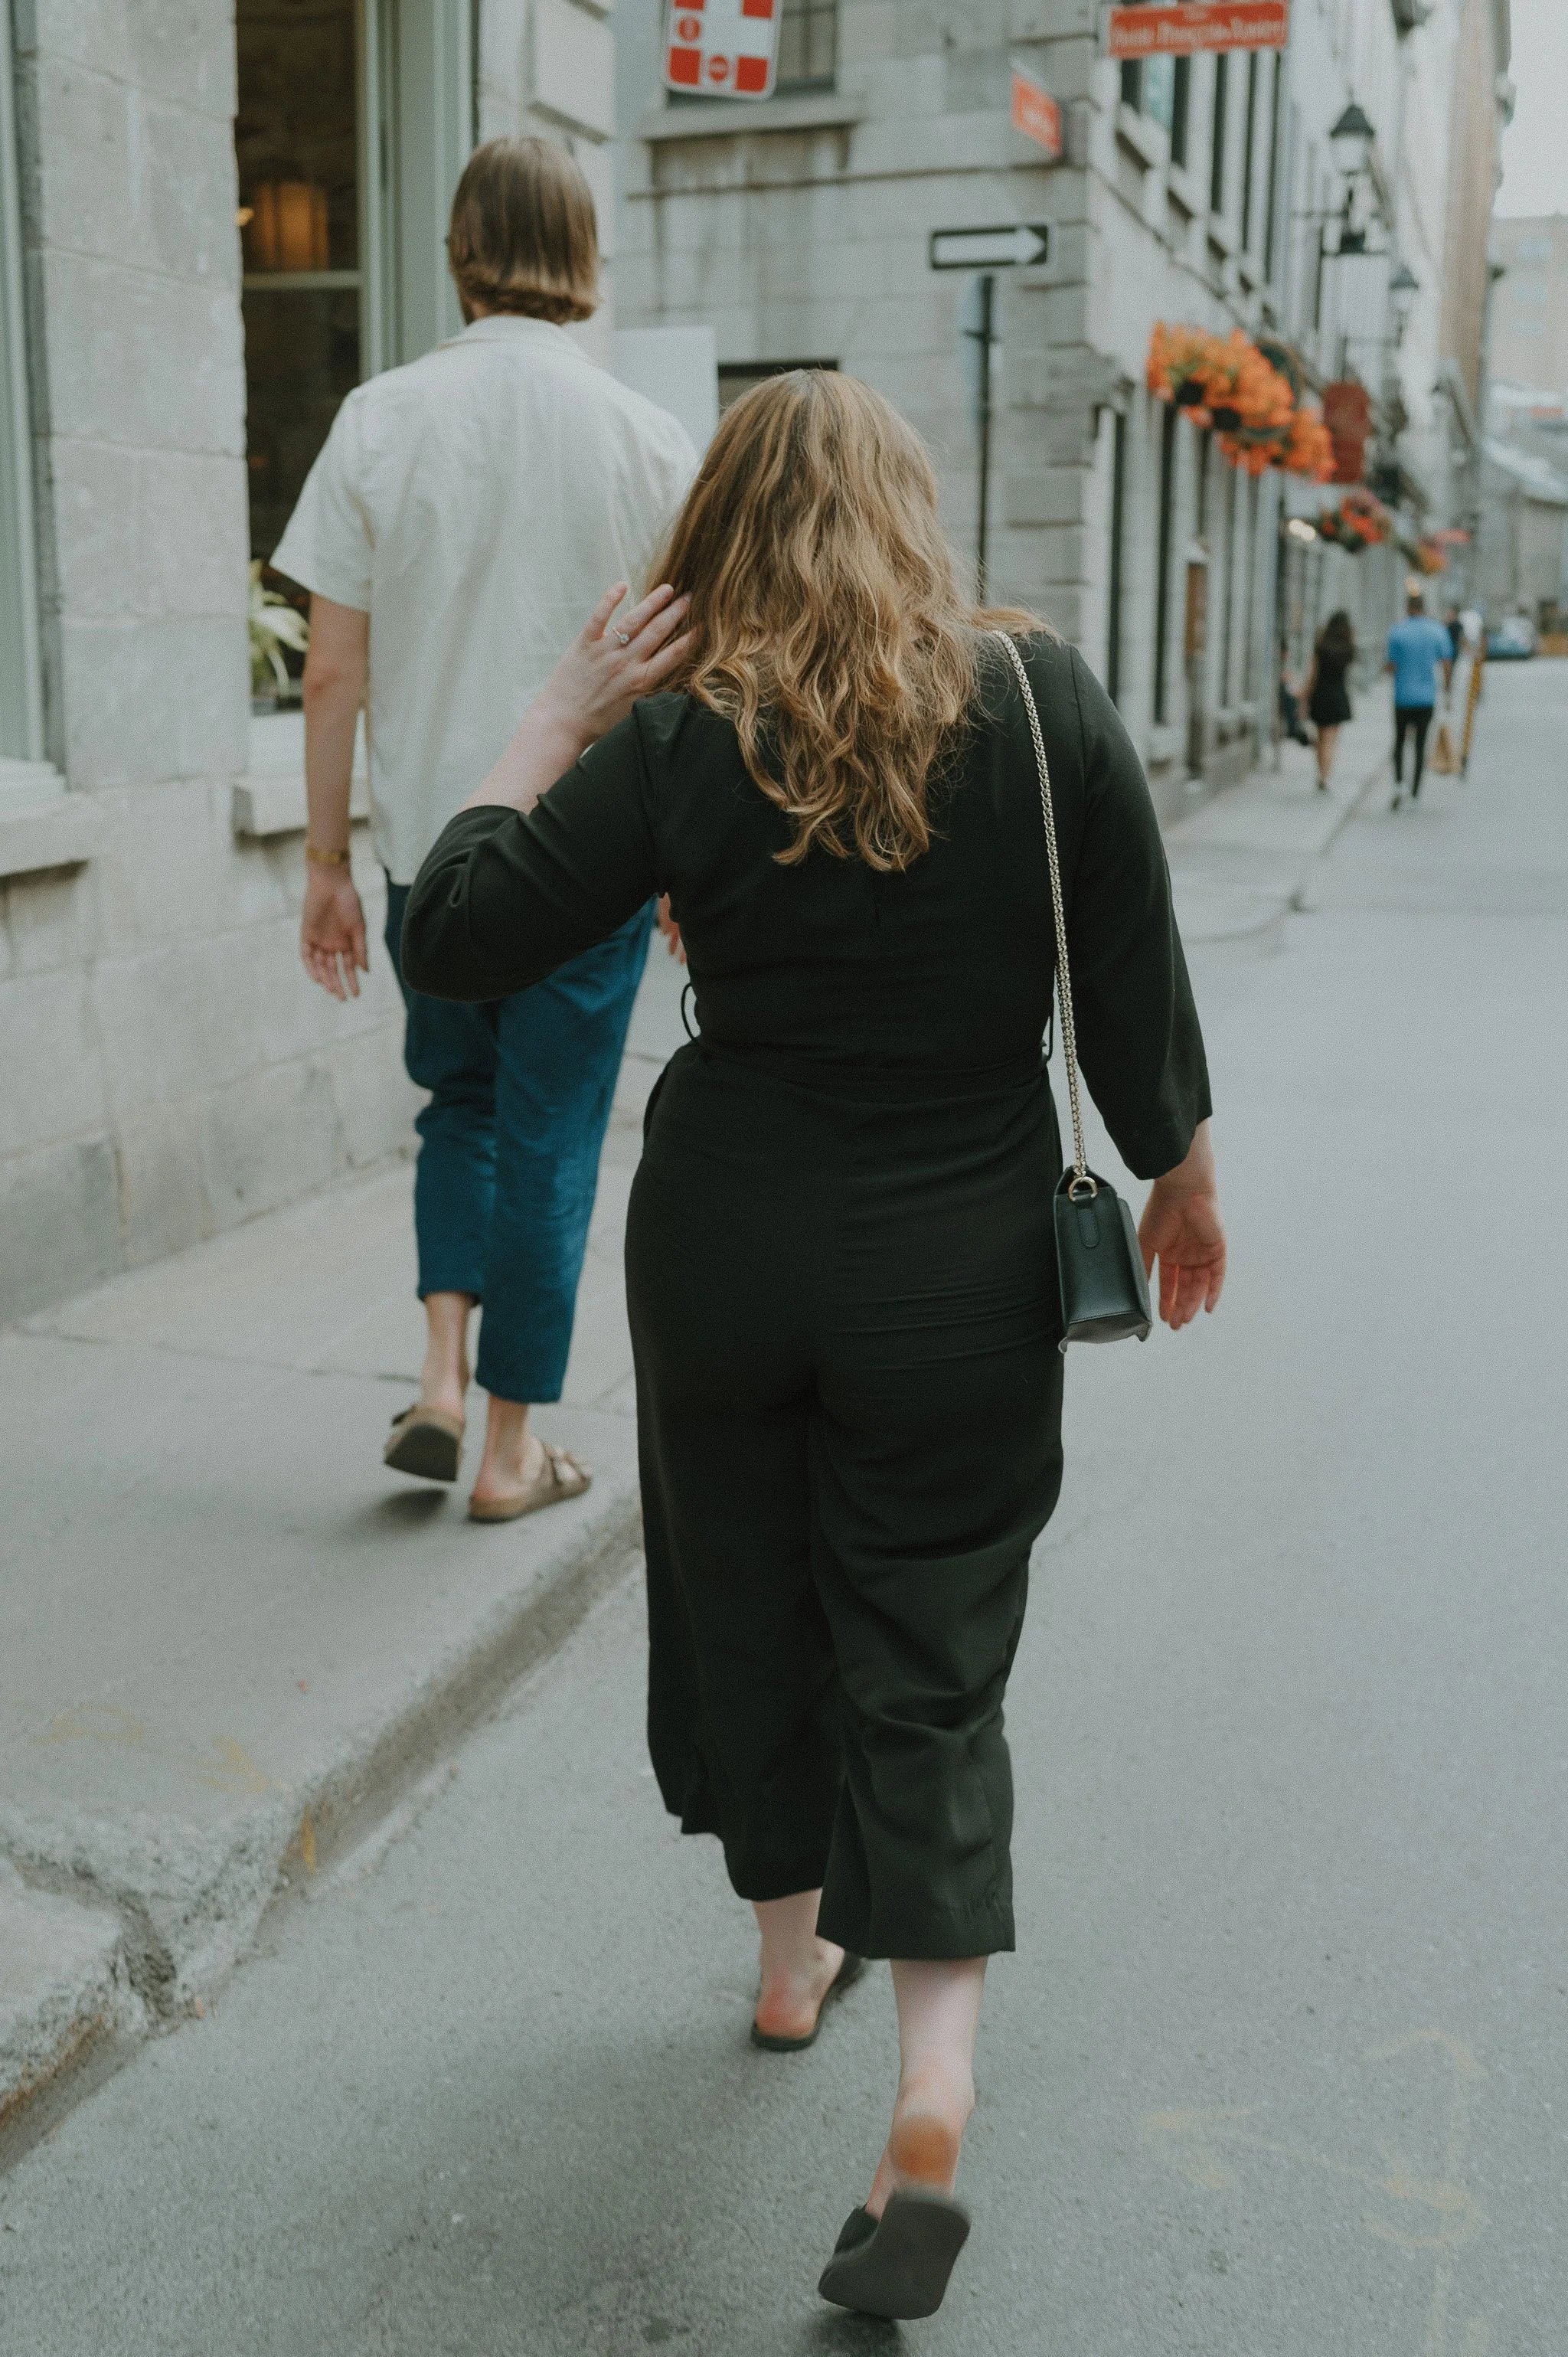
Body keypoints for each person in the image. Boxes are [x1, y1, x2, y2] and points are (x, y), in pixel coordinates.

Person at [401, 373, 1227, 2319]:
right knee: (931, 1649)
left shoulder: (689, 734)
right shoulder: (1038, 705)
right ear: (912, 513)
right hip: (960, 1263)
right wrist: (1183, 1177)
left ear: (723, 539)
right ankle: (927, 2099)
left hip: (730, 1244)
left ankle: (789, 1965)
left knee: (745, 1598)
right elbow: (1130, 993)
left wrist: (554, 715)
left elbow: (454, 930)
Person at [272, 139, 695, 1518]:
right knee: (554, 1129)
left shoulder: (378, 417)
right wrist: (687, 867)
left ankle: (441, 1379)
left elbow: (329, 671)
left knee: (456, 1104)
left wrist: (327, 861)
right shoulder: (646, 440)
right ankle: (513, 1445)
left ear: (459, 248)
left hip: (426, 854)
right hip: (586, 861)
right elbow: (685, 681)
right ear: (583, 253)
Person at [1385, 589, 1454, 809]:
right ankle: (1415, 794)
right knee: (1421, 745)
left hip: (1403, 696)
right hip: (1426, 697)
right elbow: (1446, 662)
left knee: (1399, 741)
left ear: (1408, 608)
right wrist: (1447, 689)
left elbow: (1391, 665)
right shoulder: (1437, 631)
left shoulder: (1398, 631)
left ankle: (1398, 784)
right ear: (1424, 608)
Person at [1305, 609, 1356, 790]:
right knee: (1330, 739)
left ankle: (1321, 772)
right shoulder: (1348, 648)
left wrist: (1306, 696)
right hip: (1338, 695)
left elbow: (1313, 674)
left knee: (1321, 737)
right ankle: (1324, 776)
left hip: (1320, 694)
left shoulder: (1321, 646)